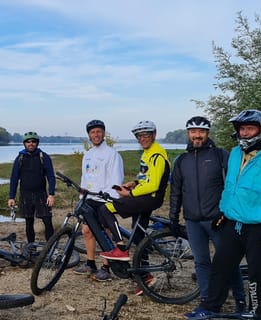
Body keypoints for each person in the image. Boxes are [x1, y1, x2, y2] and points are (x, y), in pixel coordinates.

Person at [187, 109, 261, 319]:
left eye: (250, 128)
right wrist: (223, 211)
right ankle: (211, 306)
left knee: (256, 273)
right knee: (220, 266)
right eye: (242, 128)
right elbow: (230, 187)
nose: (245, 133)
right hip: (233, 222)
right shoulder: (235, 154)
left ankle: (257, 313)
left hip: (259, 227)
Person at [169, 116, 246, 310]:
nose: (197, 135)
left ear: (208, 133)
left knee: (228, 261)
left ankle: (241, 301)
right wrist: (173, 218)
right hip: (193, 221)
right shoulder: (181, 160)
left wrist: (229, 213)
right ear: (188, 133)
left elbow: (234, 185)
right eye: (193, 131)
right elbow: (176, 191)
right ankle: (207, 301)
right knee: (201, 262)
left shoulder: (220, 155)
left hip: (218, 219)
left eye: (201, 131)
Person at [98, 120, 170, 296]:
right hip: (145, 197)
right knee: (138, 237)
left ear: (154, 135)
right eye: (139, 136)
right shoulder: (147, 153)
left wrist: (130, 193)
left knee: (105, 209)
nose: (142, 139)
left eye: (146, 135)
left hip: (149, 198)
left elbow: (153, 184)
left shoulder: (157, 155)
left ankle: (120, 247)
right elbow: (147, 177)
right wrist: (135, 183)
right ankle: (145, 276)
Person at [71, 119, 125, 282]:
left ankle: (106, 267)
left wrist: (110, 197)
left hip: (104, 199)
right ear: (89, 135)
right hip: (90, 198)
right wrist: (82, 196)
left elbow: (117, 178)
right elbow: (85, 177)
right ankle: (90, 263)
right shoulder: (87, 155)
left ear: (103, 133)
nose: (96, 135)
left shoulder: (112, 154)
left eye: (99, 132)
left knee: (104, 232)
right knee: (87, 231)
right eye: (92, 132)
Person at [8, 131, 56, 243]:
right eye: (28, 142)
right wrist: (11, 197)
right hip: (25, 195)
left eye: (33, 141)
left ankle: (51, 247)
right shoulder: (20, 158)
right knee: (29, 222)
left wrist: (51, 194)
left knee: (47, 221)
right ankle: (31, 247)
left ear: (37, 143)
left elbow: (51, 176)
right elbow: (14, 178)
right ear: (24, 143)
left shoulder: (43, 157)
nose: (31, 144)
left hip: (41, 194)